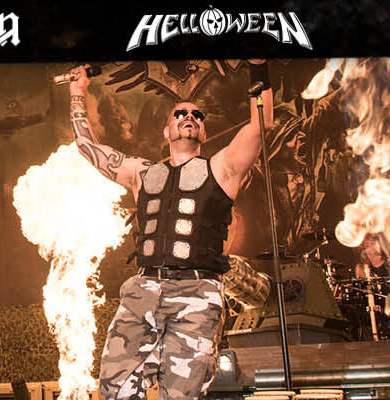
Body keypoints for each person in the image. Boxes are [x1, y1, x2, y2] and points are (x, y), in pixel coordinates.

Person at [67, 60, 273, 400]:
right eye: (180, 113)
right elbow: (89, 148)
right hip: (143, 290)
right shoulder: (142, 174)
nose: (189, 117)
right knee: (114, 389)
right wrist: (77, 92)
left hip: (197, 293)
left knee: (181, 394)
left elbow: (260, 124)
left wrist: (258, 68)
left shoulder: (222, 169)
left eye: (197, 115)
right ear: (167, 131)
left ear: (203, 132)